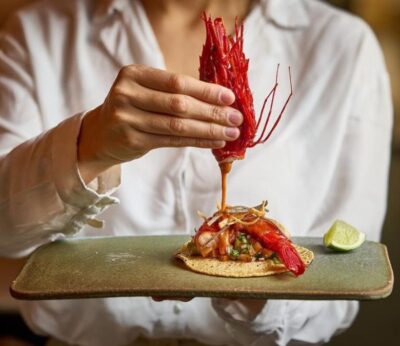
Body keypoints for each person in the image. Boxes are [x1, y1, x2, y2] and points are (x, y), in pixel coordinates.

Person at [0, 0, 392, 345]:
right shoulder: (37, 31)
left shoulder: (345, 45)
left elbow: (348, 272)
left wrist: (253, 288)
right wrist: (88, 146)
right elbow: (5, 233)